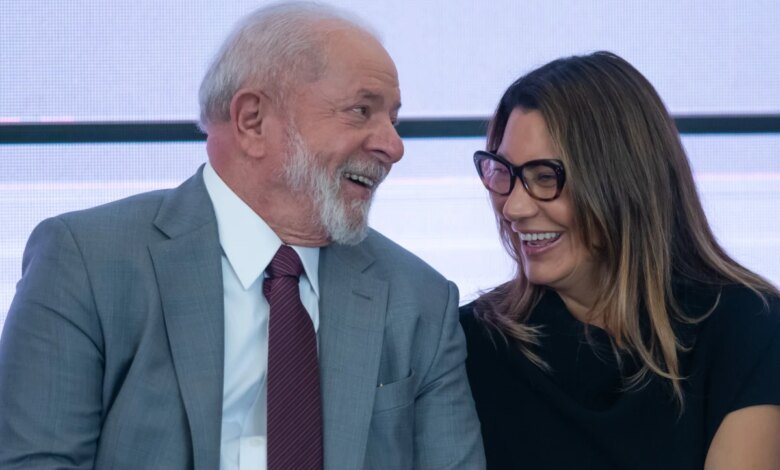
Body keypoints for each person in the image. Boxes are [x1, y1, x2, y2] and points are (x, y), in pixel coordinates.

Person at [0, 2, 485, 469]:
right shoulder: (86, 262)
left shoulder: (420, 300)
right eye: (361, 111)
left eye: (393, 120)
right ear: (253, 121)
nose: (394, 147)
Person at [460, 51, 780, 469]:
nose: (513, 208)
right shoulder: (468, 344)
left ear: (622, 181)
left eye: (545, 177)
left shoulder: (748, 326)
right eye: (503, 172)